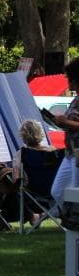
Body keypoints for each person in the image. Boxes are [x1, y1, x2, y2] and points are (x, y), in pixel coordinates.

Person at [52, 61, 79, 207]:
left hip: (78, 153)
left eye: (68, 77)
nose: (67, 81)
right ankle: (70, 220)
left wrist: (66, 122)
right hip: (69, 153)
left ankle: (73, 224)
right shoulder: (75, 99)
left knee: (76, 193)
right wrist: (60, 122)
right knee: (57, 191)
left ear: (75, 80)